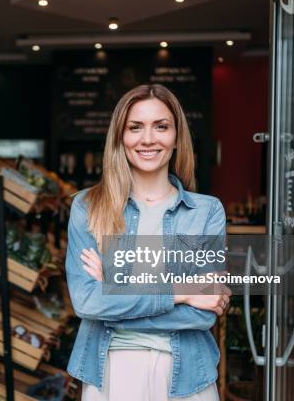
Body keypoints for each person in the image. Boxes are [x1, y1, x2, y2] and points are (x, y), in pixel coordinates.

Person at [65, 84, 231, 400]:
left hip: (188, 376)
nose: (148, 139)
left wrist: (115, 287)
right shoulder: (88, 206)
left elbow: (203, 313)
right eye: (135, 127)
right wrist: (182, 292)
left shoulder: (206, 211)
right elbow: (88, 302)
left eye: (161, 126)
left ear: (176, 137)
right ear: (120, 137)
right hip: (109, 373)